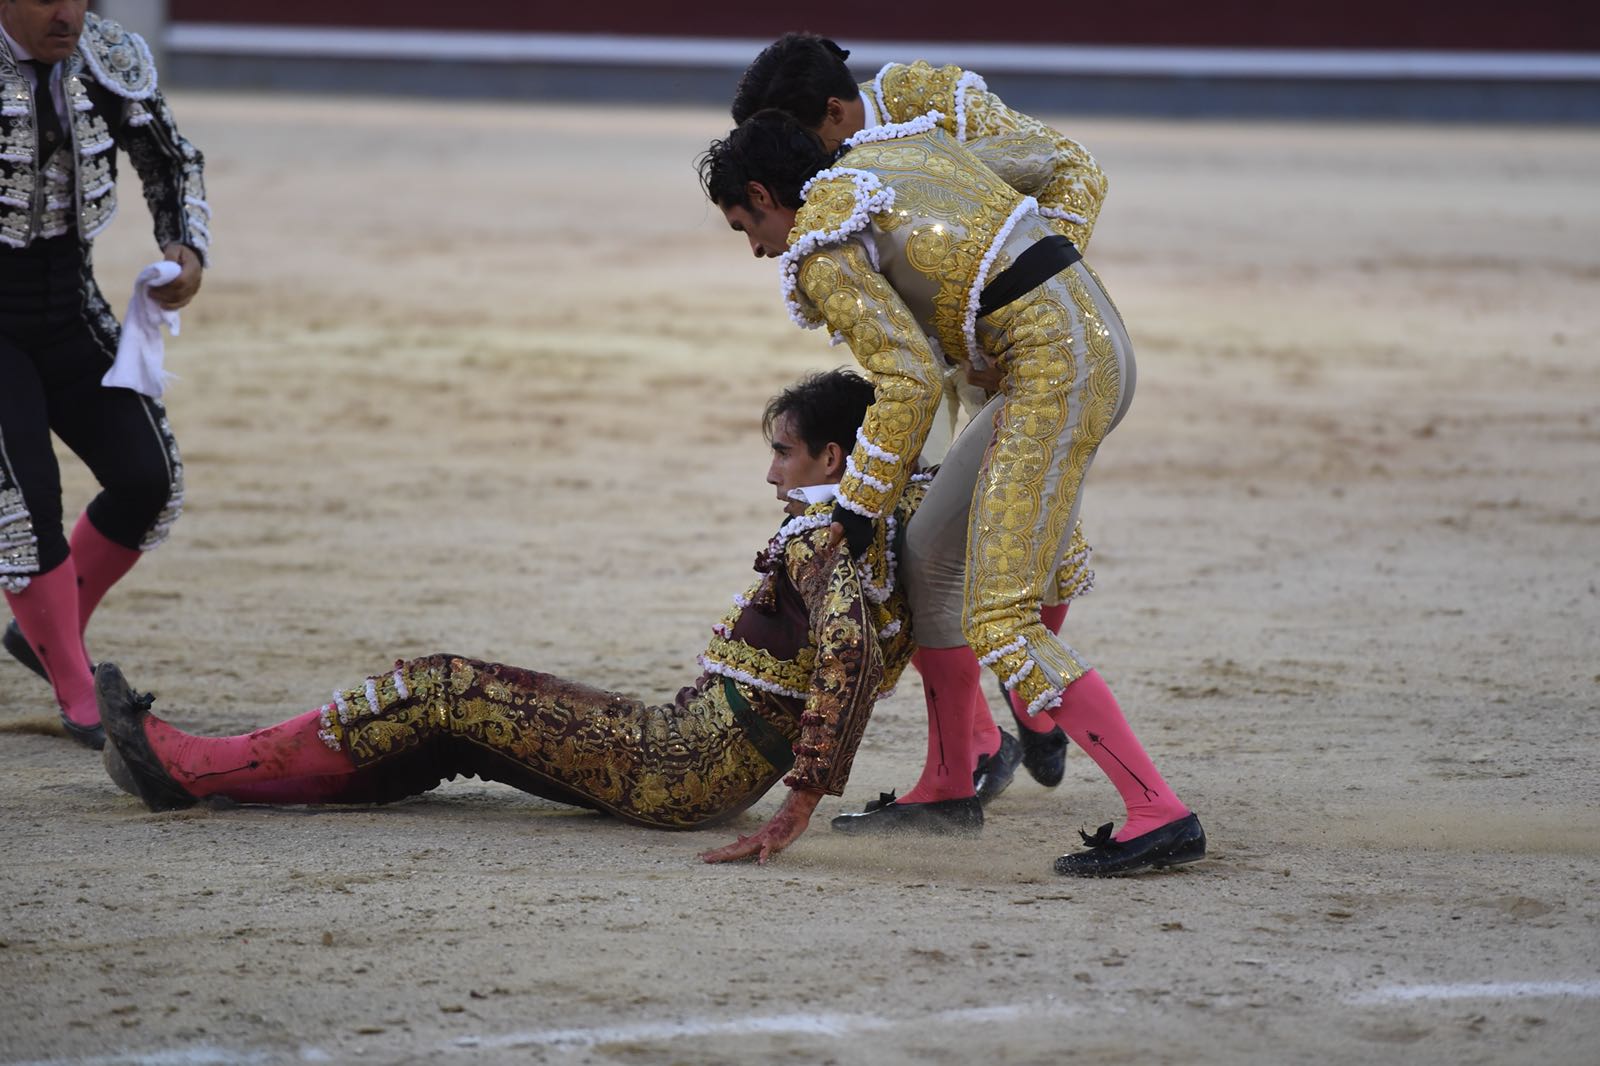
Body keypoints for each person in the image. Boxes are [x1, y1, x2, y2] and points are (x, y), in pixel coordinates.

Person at [96, 370, 926, 865]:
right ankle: (217, 781)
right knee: (453, 733)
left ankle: (198, 765)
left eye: (784, 451)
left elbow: (845, 657)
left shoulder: (823, 539)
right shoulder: (877, 530)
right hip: (697, 761)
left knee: (443, 689)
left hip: (684, 764)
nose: (770, 472)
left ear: (833, 460)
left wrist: (801, 799)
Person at [698, 111, 1205, 875]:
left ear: (767, 194)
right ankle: (945, 783)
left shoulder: (821, 248)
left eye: (745, 224)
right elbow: (1067, 164)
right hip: (1095, 334)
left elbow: (905, 379)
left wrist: (857, 509)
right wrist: (1036, 297)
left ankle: (1157, 810)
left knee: (997, 612)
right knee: (932, 553)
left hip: (1048, 375)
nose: (757, 246)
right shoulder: (898, 146)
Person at [731, 32, 1100, 799]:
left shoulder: (926, 104)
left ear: (836, 112)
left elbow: (1075, 170)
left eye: (797, 139)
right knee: (915, 546)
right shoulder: (825, 175)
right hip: (916, 360)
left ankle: (1022, 713)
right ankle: (966, 749)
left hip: (1010, 345)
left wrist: (1024, 287)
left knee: (1043, 543)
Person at [0, 2, 208, 749]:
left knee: (149, 478)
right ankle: (77, 688)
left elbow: (171, 158)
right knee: (26, 504)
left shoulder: (103, 52)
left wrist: (185, 245)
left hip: (68, 303)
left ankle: (47, 636)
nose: (68, 13)